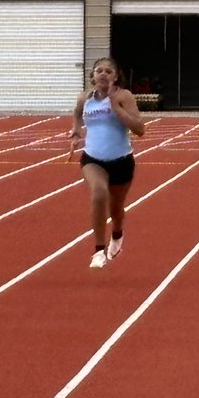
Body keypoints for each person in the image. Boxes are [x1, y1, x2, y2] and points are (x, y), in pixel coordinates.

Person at [68, 57, 145, 270]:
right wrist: (75, 131)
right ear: (92, 76)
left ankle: (117, 234)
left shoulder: (124, 96)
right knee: (99, 193)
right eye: (99, 70)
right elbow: (77, 112)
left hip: (121, 160)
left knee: (116, 208)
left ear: (115, 76)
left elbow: (139, 129)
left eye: (108, 71)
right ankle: (98, 250)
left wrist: (114, 106)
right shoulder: (85, 98)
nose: (103, 74)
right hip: (92, 159)